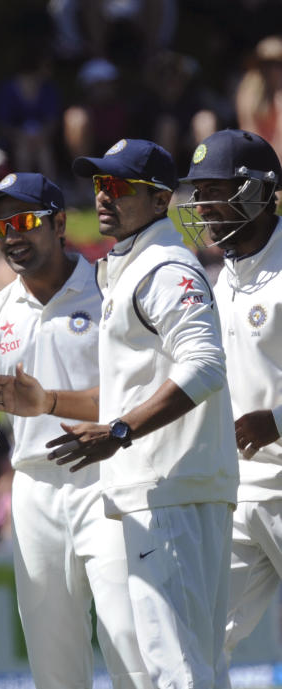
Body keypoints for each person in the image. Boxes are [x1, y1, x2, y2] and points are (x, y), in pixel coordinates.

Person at [0, 140, 238, 689]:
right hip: (161, 488)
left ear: (162, 200)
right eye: (99, 186)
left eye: (119, 187)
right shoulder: (133, 265)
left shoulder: (162, 266)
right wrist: (49, 402)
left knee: (170, 671)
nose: (103, 197)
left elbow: (208, 365)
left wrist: (121, 432)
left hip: (170, 488)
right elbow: (124, 391)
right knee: (185, 666)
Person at [0, 172, 149, 689]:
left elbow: (141, 397)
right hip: (34, 493)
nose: (12, 236)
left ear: (61, 223)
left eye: (25, 221)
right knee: (53, 665)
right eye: (2, 227)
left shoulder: (112, 293)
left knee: (131, 647)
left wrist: (48, 401)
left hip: (112, 481)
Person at [177, 129, 282, 660]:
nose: (202, 205)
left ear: (259, 193)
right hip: (240, 491)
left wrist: (279, 421)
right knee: (202, 637)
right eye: (198, 193)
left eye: (215, 190)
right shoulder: (223, 278)